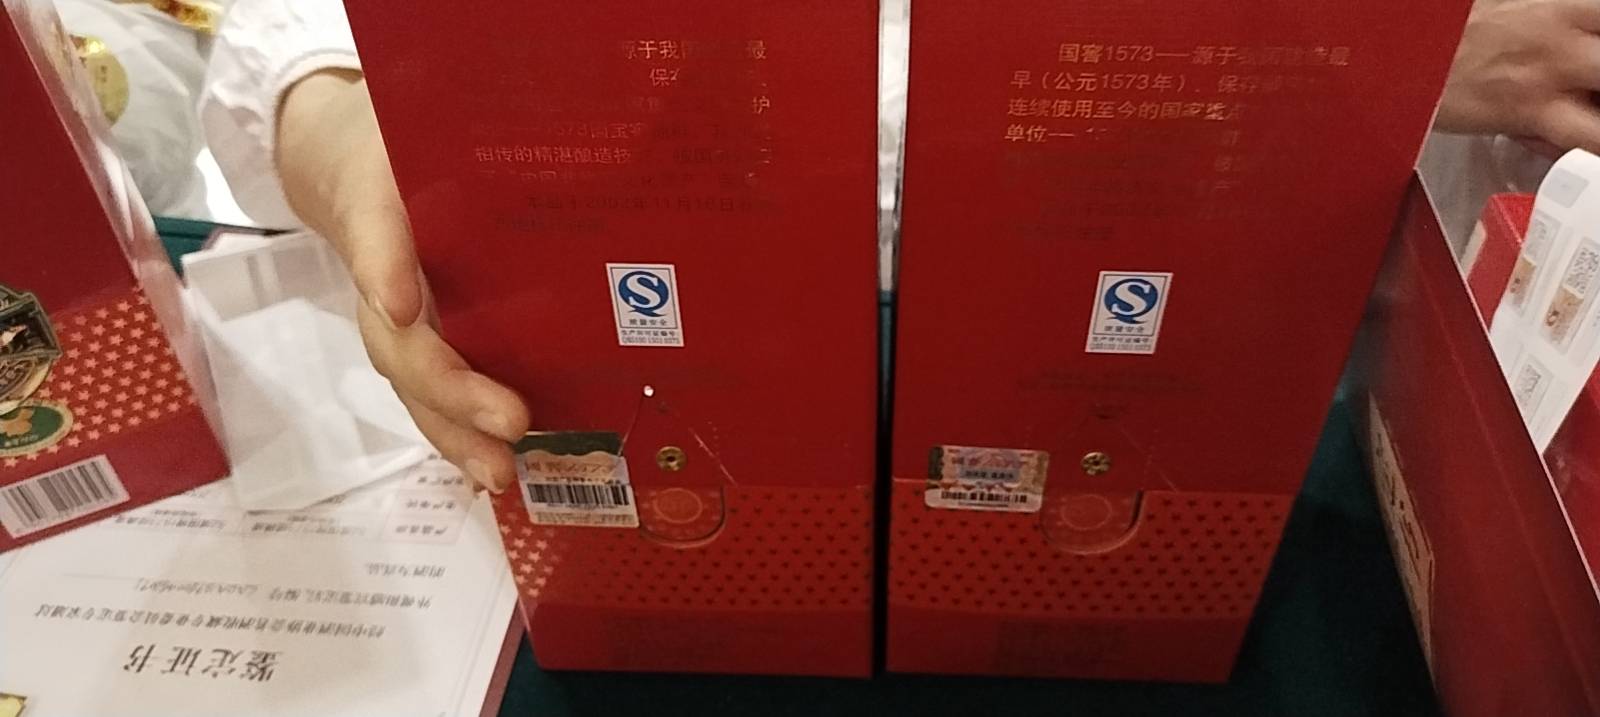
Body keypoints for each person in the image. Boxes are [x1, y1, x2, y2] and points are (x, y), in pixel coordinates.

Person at [201, 0, 1600, 492]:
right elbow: (290, 35)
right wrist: (357, 140)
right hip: (646, 363)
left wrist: (1394, 47)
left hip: (1286, 412)